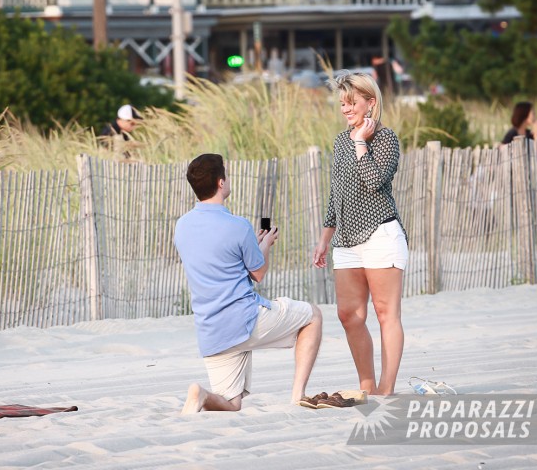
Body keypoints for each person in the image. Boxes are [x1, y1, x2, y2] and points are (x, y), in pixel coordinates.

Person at [174, 154, 323, 413]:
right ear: (221, 183)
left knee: (231, 405)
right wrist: (263, 245)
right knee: (313, 315)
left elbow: (219, 266)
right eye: (227, 175)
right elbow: (259, 273)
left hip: (212, 332)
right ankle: (298, 394)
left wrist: (251, 245)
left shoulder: (182, 226)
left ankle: (201, 395)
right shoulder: (238, 226)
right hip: (245, 320)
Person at [312, 71, 408, 396]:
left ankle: (386, 387)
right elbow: (335, 193)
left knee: (385, 313)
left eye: (351, 102)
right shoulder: (341, 141)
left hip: (381, 233)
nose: (346, 109)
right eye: (342, 103)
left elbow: (374, 181)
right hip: (347, 242)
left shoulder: (386, 139)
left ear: (371, 102)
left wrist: (360, 143)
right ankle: (366, 384)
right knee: (348, 315)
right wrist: (325, 237)